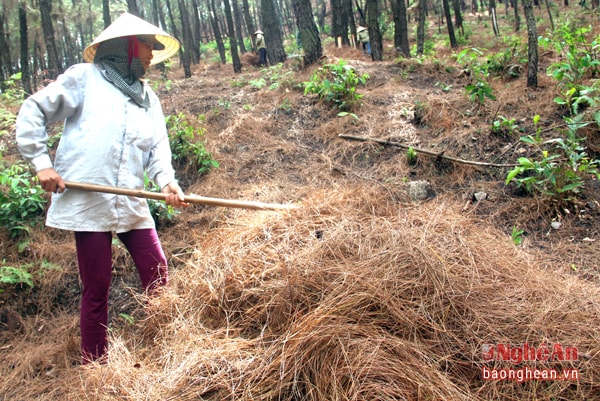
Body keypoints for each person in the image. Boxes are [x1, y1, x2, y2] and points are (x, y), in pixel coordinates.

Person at [15, 12, 187, 364]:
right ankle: (95, 364)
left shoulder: (148, 98)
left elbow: (157, 148)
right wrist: (42, 164)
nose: (151, 55)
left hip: (131, 202)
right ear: (125, 47)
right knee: (97, 286)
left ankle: (171, 349)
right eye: (146, 47)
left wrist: (167, 182)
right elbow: (34, 110)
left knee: (157, 273)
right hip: (89, 202)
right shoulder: (84, 79)